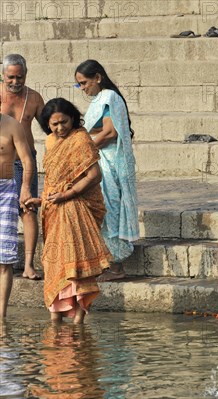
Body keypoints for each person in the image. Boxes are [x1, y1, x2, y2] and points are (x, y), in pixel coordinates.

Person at [25, 98, 111, 323]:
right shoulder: (51, 142)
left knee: (77, 265)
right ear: (47, 125)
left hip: (77, 208)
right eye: (54, 124)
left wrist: (68, 195)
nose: (60, 128)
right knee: (56, 264)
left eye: (64, 122)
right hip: (55, 212)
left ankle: (78, 322)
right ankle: (56, 318)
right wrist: (41, 200)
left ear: (72, 118)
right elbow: (54, 183)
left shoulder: (81, 139)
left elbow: (94, 176)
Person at [75, 60, 139, 282]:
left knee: (110, 209)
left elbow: (111, 133)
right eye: (79, 85)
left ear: (98, 78)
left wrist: (84, 149)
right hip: (101, 162)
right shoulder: (99, 99)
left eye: (84, 83)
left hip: (111, 163)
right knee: (101, 209)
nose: (83, 88)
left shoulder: (110, 97)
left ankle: (117, 266)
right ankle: (104, 261)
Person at [1, 54, 45, 280]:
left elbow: (50, 127)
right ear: (3, 75)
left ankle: (28, 265)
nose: (15, 82)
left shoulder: (35, 98)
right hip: (3, 164)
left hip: (26, 161)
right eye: (11, 77)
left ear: (26, 75)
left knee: (28, 211)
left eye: (19, 77)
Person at [0, 114, 34, 318]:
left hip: (5, 192)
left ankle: (1, 319)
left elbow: (27, 159)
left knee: (4, 258)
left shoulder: (12, 125)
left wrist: (25, 188)